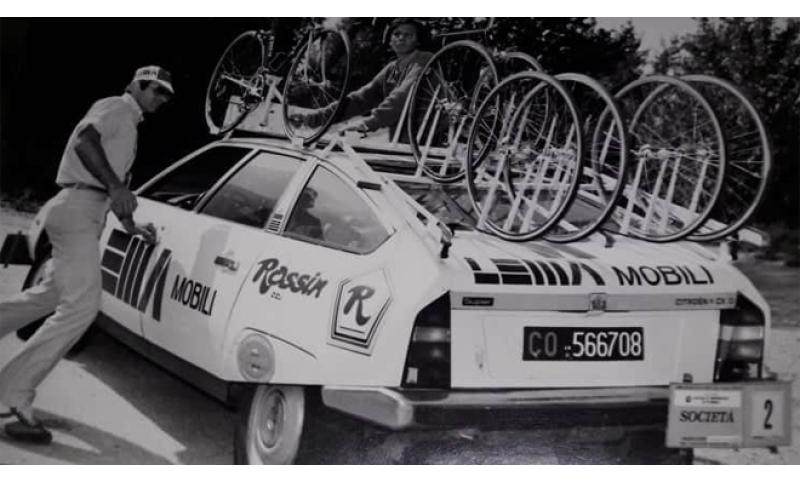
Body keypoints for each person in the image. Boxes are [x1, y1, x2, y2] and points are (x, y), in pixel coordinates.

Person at [0, 65, 173, 444]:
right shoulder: (116, 107)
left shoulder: (130, 127)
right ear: (137, 85)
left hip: (82, 210)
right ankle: (13, 393)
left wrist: (131, 225)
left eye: (166, 94)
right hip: (77, 208)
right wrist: (114, 186)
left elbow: (114, 191)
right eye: (156, 90)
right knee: (82, 306)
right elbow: (83, 139)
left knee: (50, 296)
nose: (162, 99)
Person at [295, 18, 433, 142]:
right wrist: (314, 118)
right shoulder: (392, 68)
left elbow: (402, 96)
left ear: (418, 41)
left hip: (429, 142)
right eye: (396, 34)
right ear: (389, 40)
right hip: (404, 143)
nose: (401, 38)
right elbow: (360, 99)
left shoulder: (424, 60)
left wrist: (369, 123)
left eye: (408, 35)